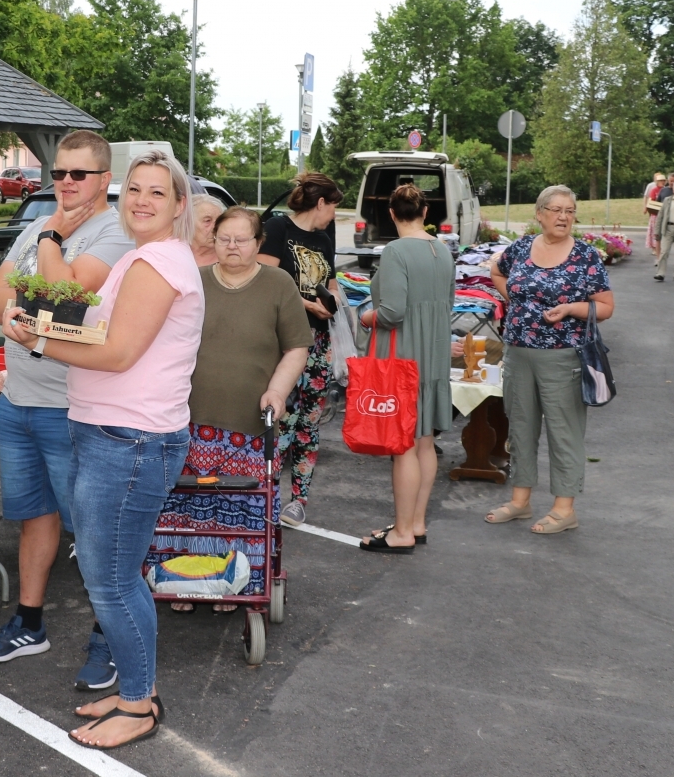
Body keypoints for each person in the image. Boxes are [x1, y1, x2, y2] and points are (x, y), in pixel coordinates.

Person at [2, 148, 202, 751]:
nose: (140, 200)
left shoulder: (158, 263)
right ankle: (135, 686)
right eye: (134, 189)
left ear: (178, 206)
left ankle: (138, 705)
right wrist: (46, 326)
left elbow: (116, 354)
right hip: (116, 433)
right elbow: (91, 324)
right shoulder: (144, 258)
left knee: (110, 581)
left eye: (156, 193)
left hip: (131, 439)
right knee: (116, 576)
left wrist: (38, 343)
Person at [0, 130, 133, 689]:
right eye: (59, 174)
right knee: (34, 517)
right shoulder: (40, 228)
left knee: (95, 530)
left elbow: (64, 302)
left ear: (104, 180)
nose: (65, 183)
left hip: (74, 407)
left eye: (78, 175)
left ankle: (108, 636)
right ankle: (30, 623)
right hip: (18, 401)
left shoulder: (114, 233)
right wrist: (42, 269)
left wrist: (47, 249)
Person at [160, 206, 309, 610]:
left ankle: (236, 583)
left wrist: (277, 391)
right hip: (187, 421)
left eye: (242, 239)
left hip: (250, 427)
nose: (232, 247)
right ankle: (182, 582)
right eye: (224, 238)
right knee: (185, 509)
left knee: (241, 513)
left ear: (259, 244)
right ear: (214, 240)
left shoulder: (278, 284)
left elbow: (297, 347)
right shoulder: (194, 281)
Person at [486, 186, 613, 535]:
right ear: (539, 213)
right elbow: (497, 271)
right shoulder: (522, 247)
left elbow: (605, 307)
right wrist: (515, 299)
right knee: (521, 429)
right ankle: (520, 501)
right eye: (555, 209)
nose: (563, 217)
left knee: (564, 432)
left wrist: (572, 308)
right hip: (518, 353)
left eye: (570, 211)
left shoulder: (585, 256)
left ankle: (564, 508)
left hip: (563, 357)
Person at [355, 185, 454, 552]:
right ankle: (416, 522)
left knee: (404, 448)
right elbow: (447, 303)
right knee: (424, 442)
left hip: (402, 360)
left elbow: (392, 311)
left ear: (392, 215)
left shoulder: (396, 251)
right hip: (432, 357)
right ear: (425, 213)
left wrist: (367, 317)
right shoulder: (441, 250)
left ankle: (401, 532)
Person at [256, 171, 343, 528]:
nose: (335, 215)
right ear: (320, 203)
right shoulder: (278, 229)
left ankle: (298, 500)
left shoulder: (324, 237)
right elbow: (264, 280)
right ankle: (267, 494)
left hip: (318, 342)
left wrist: (334, 300)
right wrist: (308, 305)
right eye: (333, 207)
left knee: (309, 422)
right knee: (280, 420)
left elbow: (331, 280)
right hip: (285, 340)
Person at [189, 193, 223, 267]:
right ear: (188, 223)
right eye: (207, 221)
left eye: (219, 221)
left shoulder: (228, 259)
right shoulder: (174, 254)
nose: (216, 227)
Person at [643, 173, 666, 250]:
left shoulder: (665, 190)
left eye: (663, 181)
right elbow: (651, 200)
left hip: (663, 213)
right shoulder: (654, 190)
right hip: (655, 213)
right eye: (660, 181)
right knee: (654, 230)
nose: (662, 182)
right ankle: (654, 247)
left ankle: (660, 247)